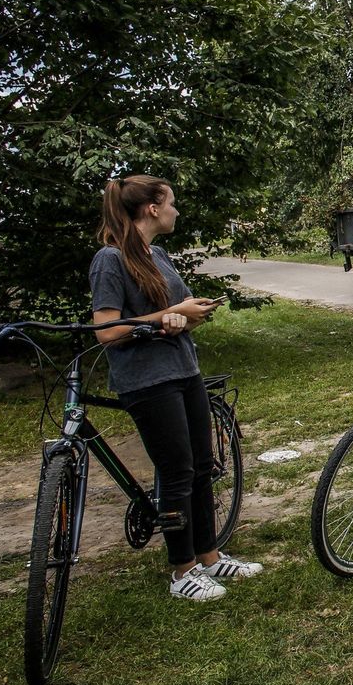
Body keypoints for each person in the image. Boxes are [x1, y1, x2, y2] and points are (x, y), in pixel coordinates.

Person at [89, 175, 262, 600]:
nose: (176, 211)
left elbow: (177, 309)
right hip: (147, 381)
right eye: (171, 204)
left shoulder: (158, 254)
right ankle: (182, 571)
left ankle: (209, 556)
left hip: (184, 370)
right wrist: (167, 314)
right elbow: (105, 330)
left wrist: (190, 312)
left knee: (202, 465)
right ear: (151, 208)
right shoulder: (109, 260)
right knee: (177, 471)